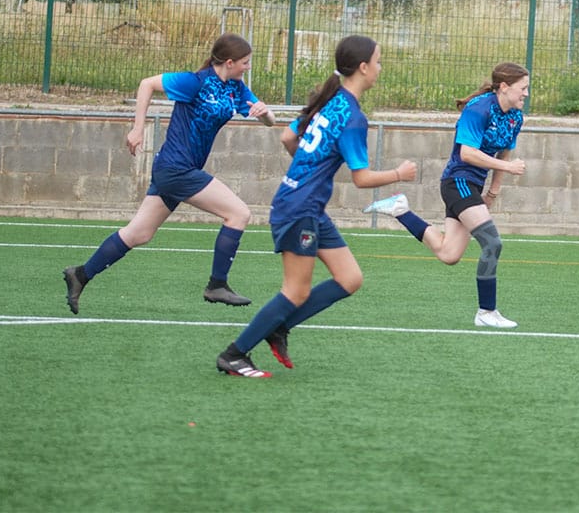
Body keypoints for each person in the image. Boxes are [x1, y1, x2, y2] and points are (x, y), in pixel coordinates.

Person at [216, 35, 417, 377]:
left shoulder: (331, 99)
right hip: (300, 208)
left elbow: (288, 137)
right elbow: (361, 178)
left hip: (304, 205)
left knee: (350, 278)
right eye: (379, 61)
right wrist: (400, 173)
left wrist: (308, 164)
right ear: (364, 67)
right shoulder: (352, 116)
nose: (380, 68)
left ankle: (279, 327)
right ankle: (235, 353)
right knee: (296, 290)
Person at [63, 33, 276, 314]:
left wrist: (264, 113)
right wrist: (138, 128)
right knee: (238, 213)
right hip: (176, 169)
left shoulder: (235, 88)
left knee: (139, 233)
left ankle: (80, 274)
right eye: (245, 62)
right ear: (229, 62)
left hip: (178, 170)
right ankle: (217, 285)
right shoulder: (195, 81)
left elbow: (270, 122)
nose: (248, 67)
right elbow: (147, 84)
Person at [363, 62, 529, 329]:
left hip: (472, 186)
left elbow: (504, 153)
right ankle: (486, 312)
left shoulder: (515, 117)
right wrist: (507, 168)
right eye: (523, 88)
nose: (526, 94)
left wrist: (493, 192)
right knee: (492, 242)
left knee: (448, 254)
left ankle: (401, 210)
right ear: (505, 87)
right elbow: (467, 153)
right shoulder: (478, 109)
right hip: (457, 181)